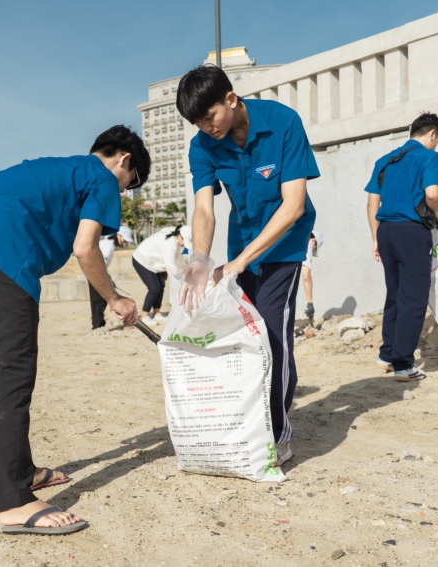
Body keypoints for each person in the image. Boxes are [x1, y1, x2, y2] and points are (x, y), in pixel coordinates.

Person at [0, 125, 150, 535]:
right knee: (14, 376)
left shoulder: (60, 170)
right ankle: (14, 501)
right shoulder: (102, 177)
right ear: (124, 159)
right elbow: (85, 248)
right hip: (6, 259)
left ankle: (22, 470)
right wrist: (116, 299)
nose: (125, 193)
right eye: (132, 185)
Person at [175, 65, 320, 462]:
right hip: (243, 249)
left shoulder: (283, 123)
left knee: (273, 335)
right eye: (198, 124)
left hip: (285, 247)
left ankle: (276, 433)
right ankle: (245, 424)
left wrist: (238, 261)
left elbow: (293, 206)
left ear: (231, 99)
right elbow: (204, 210)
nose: (207, 128)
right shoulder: (202, 146)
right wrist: (201, 259)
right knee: (244, 340)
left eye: (210, 117)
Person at [364, 112, 438, 382]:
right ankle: (403, 364)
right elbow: (433, 194)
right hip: (412, 232)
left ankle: (387, 354)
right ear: (432, 134)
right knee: (414, 298)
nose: (436, 145)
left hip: (386, 231)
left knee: (396, 293)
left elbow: (371, 204)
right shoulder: (429, 157)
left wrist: (376, 238)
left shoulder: (385, 160)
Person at [131, 225, 192, 326]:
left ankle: (156, 314)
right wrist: (181, 277)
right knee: (154, 288)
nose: (184, 245)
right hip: (142, 260)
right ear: (180, 236)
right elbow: (170, 265)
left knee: (161, 285)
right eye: (185, 242)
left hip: (155, 261)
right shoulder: (170, 244)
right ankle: (144, 316)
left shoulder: (174, 234)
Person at [88, 225, 133, 331]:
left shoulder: (107, 244)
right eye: (124, 240)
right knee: (98, 300)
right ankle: (97, 325)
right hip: (96, 273)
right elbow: (101, 263)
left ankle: (99, 323)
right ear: (118, 235)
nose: (124, 243)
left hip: (96, 273)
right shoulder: (108, 245)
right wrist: (106, 278)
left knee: (99, 300)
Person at [301, 229, 323, 320]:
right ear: (314, 241)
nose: (313, 249)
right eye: (315, 247)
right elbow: (306, 276)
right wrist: (310, 303)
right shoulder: (307, 244)